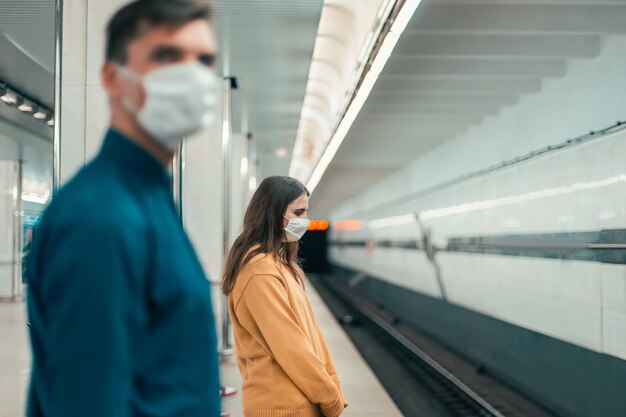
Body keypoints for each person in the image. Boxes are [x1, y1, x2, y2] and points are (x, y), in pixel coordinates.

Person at [26, 1, 222, 416]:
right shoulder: (100, 219)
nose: (192, 77)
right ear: (112, 78)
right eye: (166, 56)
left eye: (204, 61)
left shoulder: (148, 198)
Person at [222, 176, 349, 417]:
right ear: (273, 213)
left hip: (299, 403)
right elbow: (291, 346)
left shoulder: (279, 264)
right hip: (281, 407)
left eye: (306, 212)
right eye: (299, 212)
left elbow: (312, 335)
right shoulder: (259, 271)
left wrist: (333, 387)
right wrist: (328, 395)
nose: (305, 221)